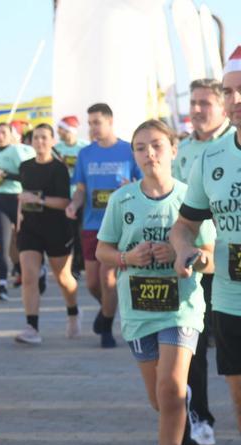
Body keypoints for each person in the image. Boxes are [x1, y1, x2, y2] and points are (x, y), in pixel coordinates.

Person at [97, 120, 215, 445]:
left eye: (157, 145)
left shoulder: (190, 199)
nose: (150, 153)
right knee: (159, 399)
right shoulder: (122, 200)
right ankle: (182, 401)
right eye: (141, 147)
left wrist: (184, 254)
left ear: (174, 150)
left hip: (181, 307)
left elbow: (210, 257)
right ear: (133, 155)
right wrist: (127, 257)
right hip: (138, 310)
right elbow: (102, 250)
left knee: (171, 390)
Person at [171, 47, 241, 440]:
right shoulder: (209, 157)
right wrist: (184, 247)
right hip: (229, 297)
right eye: (229, 91)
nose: (236, 99)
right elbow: (184, 224)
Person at [66, 103, 141, 347]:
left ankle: (106, 326)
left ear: (110, 121)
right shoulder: (85, 154)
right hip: (92, 224)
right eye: (90, 123)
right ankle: (107, 309)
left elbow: (142, 183)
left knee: (108, 279)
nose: (93, 128)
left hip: (120, 225)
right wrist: (74, 205)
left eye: (97, 122)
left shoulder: (129, 150)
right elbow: (80, 189)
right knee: (92, 283)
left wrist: (131, 188)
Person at [14, 124, 80, 344]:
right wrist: (19, 220)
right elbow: (23, 196)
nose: (40, 141)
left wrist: (39, 200)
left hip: (56, 228)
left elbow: (64, 202)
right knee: (29, 276)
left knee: (63, 278)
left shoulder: (59, 168)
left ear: (52, 141)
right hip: (30, 228)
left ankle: (73, 312)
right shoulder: (25, 166)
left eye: (44, 137)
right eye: (36, 137)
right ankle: (31, 327)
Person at [0, 122, 35, 301]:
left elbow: (26, 176)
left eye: (3, 132)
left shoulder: (16, 151)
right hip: (0, 200)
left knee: (23, 241)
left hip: (17, 199)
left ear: (11, 134)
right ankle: (2, 285)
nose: (0, 136)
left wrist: (4, 174)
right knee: (3, 243)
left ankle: (37, 271)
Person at [54, 116, 90, 277]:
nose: (58, 132)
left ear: (70, 130)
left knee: (79, 232)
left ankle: (78, 264)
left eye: (61, 129)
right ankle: (70, 265)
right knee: (66, 232)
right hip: (62, 196)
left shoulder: (84, 148)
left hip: (81, 195)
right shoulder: (56, 148)